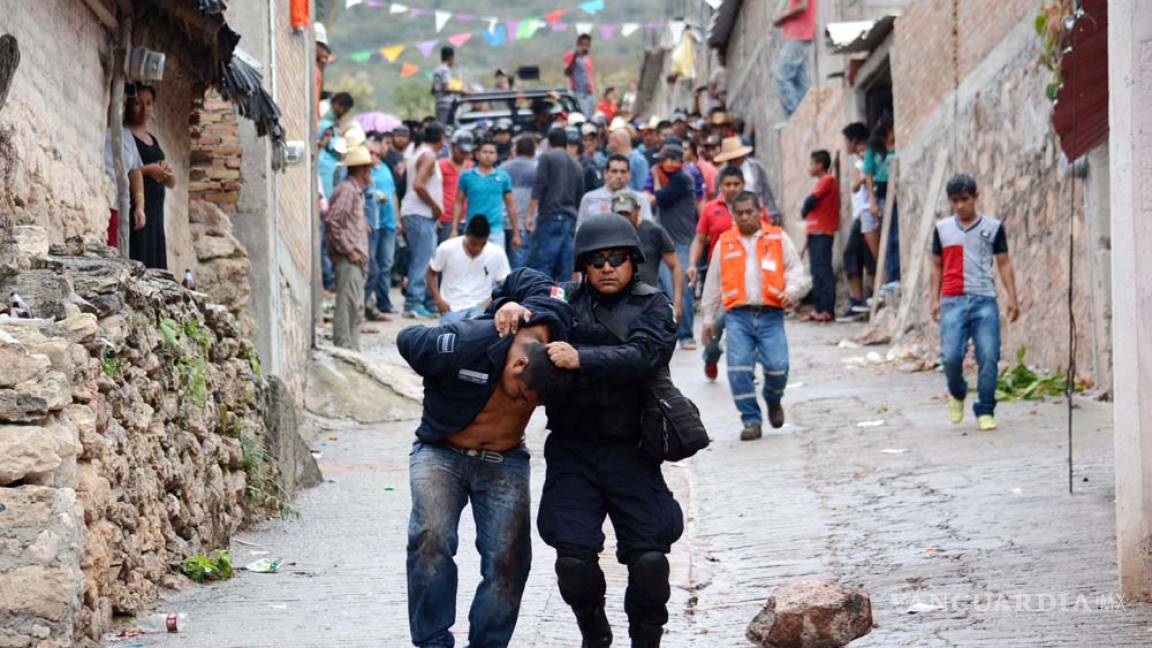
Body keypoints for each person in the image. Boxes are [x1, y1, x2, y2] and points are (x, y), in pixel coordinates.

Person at [489, 213, 682, 648]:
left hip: (632, 448)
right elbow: (517, 280)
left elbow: (645, 355)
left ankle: (646, 639)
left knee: (650, 559)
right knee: (573, 561)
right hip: (573, 449)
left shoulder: (654, 304)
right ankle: (593, 629)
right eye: (597, 261)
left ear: (633, 261)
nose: (607, 268)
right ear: (583, 266)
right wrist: (509, 304)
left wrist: (582, 357)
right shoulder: (565, 300)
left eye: (616, 259)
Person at [397, 295, 575, 648]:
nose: (523, 405)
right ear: (517, 363)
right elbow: (407, 338)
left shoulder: (552, 342)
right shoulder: (467, 343)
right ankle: (433, 642)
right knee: (430, 538)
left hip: (504, 459)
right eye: (524, 396)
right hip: (440, 451)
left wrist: (526, 307)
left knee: (510, 560)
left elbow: (552, 290)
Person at [701, 191, 811, 440]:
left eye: (749, 212)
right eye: (739, 213)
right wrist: (708, 320)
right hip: (737, 317)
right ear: (733, 215)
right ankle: (751, 420)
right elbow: (713, 284)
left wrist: (792, 291)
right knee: (738, 369)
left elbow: (796, 271)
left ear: (759, 211)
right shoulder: (724, 243)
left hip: (770, 314)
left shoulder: (777, 238)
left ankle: (773, 400)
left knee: (778, 367)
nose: (745, 217)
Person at [931, 173, 1020, 432]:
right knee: (950, 356)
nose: (960, 206)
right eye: (955, 201)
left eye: (965, 200)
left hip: (984, 300)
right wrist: (934, 299)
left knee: (989, 355)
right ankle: (957, 391)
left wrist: (1012, 297)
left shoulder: (992, 228)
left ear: (976, 197)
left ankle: (985, 408)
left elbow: (1004, 263)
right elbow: (936, 266)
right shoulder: (942, 229)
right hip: (952, 299)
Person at [686, 166, 761, 380]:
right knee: (717, 322)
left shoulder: (753, 208)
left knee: (751, 324)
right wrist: (692, 264)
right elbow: (700, 240)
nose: (732, 188)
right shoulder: (711, 209)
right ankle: (711, 355)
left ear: (743, 185)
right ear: (720, 187)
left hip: (749, 276)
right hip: (720, 277)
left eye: (736, 184)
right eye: (727, 184)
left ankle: (749, 367)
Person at [648, 144, 699, 350]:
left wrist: (656, 176)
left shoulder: (682, 179)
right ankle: (672, 334)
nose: (660, 164)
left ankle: (687, 335)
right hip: (669, 243)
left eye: (665, 160)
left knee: (682, 290)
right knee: (667, 291)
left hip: (681, 243)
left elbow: (660, 198)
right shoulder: (675, 178)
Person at [325, 145, 374, 351]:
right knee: (348, 304)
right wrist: (349, 249)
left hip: (356, 257)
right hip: (349, 257)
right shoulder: (347, 190)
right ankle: (344, 347)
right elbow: (333, 222)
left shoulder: (355, 191)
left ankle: (353, 348)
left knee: (356, 306)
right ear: (363, 170)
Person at [125, 83, 175, 269]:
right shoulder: (124, 135)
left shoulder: (152, 139)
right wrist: (149, 169)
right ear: (130, 105)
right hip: (137, 205)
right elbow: (126, 167)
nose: (145, 109)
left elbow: (172, 182)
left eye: (149, 103)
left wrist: (166, 172)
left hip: (156, 211)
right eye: (139, 103)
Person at [525, 128, 585, 282]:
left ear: (549, 142)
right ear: (566, 143)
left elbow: (539, 186)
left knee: (543, 265)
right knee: (565, 267)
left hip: (550, 218)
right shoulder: (577, 165)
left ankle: (542, 300)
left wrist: (529, 215)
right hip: (570, 219)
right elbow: (580, 196)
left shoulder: (547, 157)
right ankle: (563, 300)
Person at [401, 122, 446, 319]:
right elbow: (418, 185)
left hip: (419, 214)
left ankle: (424, 301)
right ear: (441, 139)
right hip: (420, 212)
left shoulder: (418, 152)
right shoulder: (428, 155)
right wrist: (436, 207)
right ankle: (414, 302)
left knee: (426, 258)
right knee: (423, 260)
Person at [428, 217, 511, 323]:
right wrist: (438, 300)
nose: (477, 248)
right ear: (466, 234)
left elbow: (506, 283)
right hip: (452, 308)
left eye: (482, 245)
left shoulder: (497, 253)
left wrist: (489, 302)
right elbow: (431, 272)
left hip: (480, 309)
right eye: (473, 244)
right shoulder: (447, 248)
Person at [613, 191, 681, 315]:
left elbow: (675, 266)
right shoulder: (606, 233)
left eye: (627, 213)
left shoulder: (654, 231)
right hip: (615, 301)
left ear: (638, 210)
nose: (623, 217)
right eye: (619, 213)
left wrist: (677, 301)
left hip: (648, 300)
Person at [454, 140, 519, 251]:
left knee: (494, 265)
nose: (488, 155)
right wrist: (454, 229)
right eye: (484, 152)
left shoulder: (503, 177)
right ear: (477, 154)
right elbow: (458, 202)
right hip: (472, 229)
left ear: (496, 156)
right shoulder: (467, 176)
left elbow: (510, 205)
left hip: (495, 230)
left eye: (491, 152)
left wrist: (516, 233)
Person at [839, 122, 875, 320]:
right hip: (861, 214)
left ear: (853, 140)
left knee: (851, 254)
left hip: (864, 214)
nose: (846, 145)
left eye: (846, 140)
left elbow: (857, 186)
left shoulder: (862, 162)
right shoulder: (862, 161)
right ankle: (861, 300)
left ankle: (858, 300)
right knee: (863, 255)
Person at [104, 90, 146, 251]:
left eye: (122, 103)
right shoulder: (98, 130)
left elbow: (135, 172)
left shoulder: (126, 136)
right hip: (102, 204)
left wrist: (140, 206)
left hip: (119, 206)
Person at [801, 149, 840, 322]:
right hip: (815, 230)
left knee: (823, 270)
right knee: (816, 271)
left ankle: (827, 309)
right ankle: (818, 308)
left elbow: (812, 200)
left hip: (822, 231)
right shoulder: (822, 181)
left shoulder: (828, 180)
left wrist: (804, 209)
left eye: (811, 163)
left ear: (820, 165)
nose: (809, 167)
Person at [864, 116, 900, 289]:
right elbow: (868, 175)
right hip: (883, 194)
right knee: (888, 236)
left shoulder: (899, 145)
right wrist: (872, 201)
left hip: (898, 194)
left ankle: (897, 275)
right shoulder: (873, 149)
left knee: (896, 234)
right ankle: (892, 277)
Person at [712, 136, 781, 223]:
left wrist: (772, 212)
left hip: (758, 212)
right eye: (731, 159)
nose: (735, 160)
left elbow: (766, 191)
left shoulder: (755, 167)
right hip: (733, 214)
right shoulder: (721, 173)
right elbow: (718, 196)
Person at [368, 133, 401, 316]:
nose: (373, 155)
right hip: (374, 225)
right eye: (370, 151)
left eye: (375, 151)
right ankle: (368, 303)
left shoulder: (385, 168)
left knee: (386, 264)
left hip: (388, 223)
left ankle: (384, 302)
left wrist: (397, 218)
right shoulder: (366, 171)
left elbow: (394, 194)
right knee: (373, 265)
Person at [578, 153, 653, 227]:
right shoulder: (589, 199)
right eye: (614, 171)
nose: (619, 176)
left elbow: (647, 230)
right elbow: (580, 231)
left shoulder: (640, 199)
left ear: (629, 175)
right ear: (605, 173)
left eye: (623, 172)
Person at [500, 136, 538, 269]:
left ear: (517, 150)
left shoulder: (503, 168)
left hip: (502, 223)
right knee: (519, 267)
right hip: (524, 225)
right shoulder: (537, 169)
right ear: (533, 151)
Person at [773, 0, 816, 116]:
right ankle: (807, 115)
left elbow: (802, 6)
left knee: (782, 76)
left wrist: (782, 17)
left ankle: (797, 116)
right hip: (801, 35)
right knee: (801, 83)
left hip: (797, 35)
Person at [439, 130, 474, 243]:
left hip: (468, 218)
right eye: (461, 151)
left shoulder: (471, 167)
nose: (464, 155)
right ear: (453, 147)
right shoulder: (440, 166)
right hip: (446, 218)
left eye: (466, 152)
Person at [607, 127, 649, 193]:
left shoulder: (638, 160)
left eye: (610, 142)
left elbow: (643, 188)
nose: (608, 146)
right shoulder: (613, 159)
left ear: (617, 142)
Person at [564, 33, 596, 117]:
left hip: (590, 92)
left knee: (590, 116)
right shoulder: (571, 55)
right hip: (578, 92)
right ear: (578, 44)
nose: (585, 47)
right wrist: (575, 57)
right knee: (584, 117)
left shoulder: (587, 57)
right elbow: (567, 72)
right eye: (583, 45)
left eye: (587, 45)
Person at [432, 46, 465, 125]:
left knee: (440, 123)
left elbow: (433, 89)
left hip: (438, 102)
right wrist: (460, 91)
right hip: (445, 102)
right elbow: (446, 88)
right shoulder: (445, 70)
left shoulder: (437, 69)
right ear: (450, 57)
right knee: (444, 126)